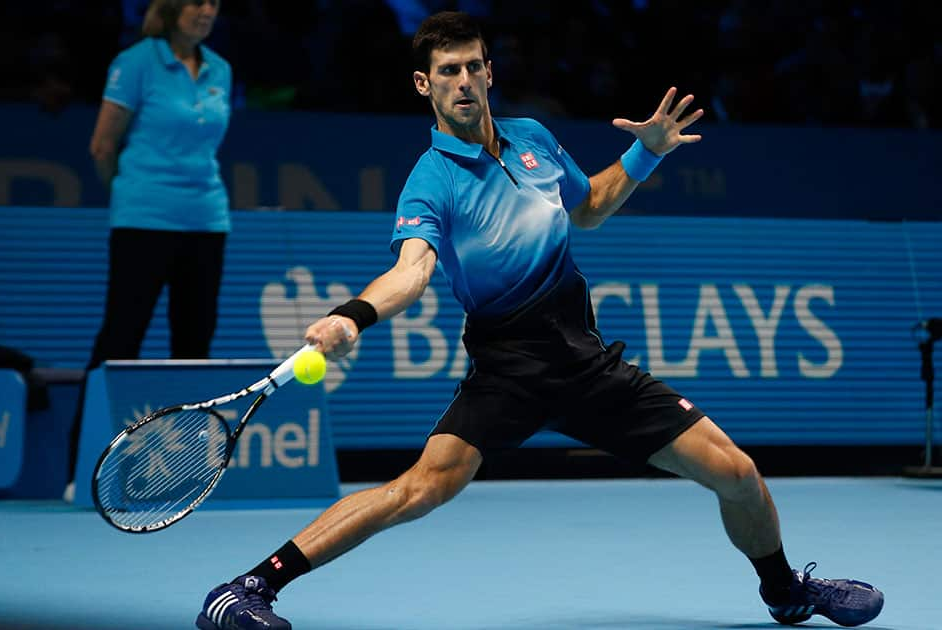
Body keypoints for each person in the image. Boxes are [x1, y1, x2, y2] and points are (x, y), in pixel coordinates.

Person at [196, 11, 884, 630]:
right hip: (509, 369)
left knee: (737, 472)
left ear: (489, 72)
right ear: (422, 85)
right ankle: (248, 588)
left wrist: (646, 153)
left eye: (472, 67)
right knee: (419, 489)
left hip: (587, 362)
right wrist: (351, 317)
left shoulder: (533, 139)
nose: (463, 81)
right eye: (447, 72)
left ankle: (785, 591)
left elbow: (586, 208)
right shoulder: (431, 180)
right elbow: (412, 271)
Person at [64, 0, 231, 501]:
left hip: (207, 218)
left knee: (194, 344)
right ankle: (83, 463)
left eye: (213, 3)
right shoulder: (135, 63)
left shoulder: (220, 67)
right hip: (143, 216)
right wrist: (132, 194)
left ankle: (187, 470)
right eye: (196, 2)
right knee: (121, 336)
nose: (206, 11)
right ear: (173, 7)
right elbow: (102, 146)